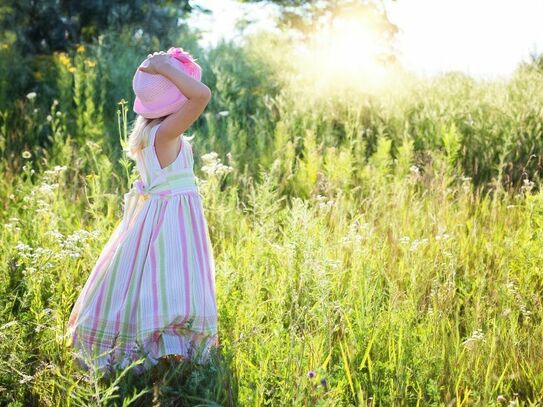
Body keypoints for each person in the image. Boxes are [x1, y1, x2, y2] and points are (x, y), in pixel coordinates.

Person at [65, 48, 218, 375]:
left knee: (145, 280)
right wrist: (164, 66)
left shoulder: (150, 134)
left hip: (156, 216)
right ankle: (168, 348)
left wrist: (164, 69)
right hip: (172, 222)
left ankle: (162, 348)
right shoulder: (165, 134)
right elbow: (202, 96)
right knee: (171, 282)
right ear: (176, 98)